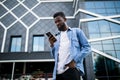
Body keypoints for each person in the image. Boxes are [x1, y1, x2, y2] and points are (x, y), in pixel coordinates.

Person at [48, 12, 91, 80]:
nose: (57, 23)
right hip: (58, 73)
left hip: (71, 70)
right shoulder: (57, 37)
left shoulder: (77, 31)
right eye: (55, 22)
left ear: (65, 19)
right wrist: (52, 45)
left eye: (59, 20)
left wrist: (74, 61)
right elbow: (54, 56)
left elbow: (87, 48)